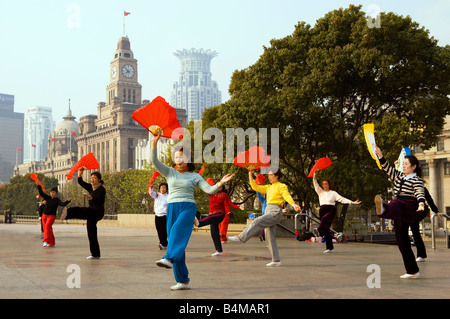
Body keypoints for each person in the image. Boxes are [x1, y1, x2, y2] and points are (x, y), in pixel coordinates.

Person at [151, 133, 235, 290]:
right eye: (176, 157)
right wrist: (154, 143)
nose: (178, 160)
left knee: (176, 233)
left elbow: (209, 190)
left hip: (188, 207)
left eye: (181, 157)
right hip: (172, 208)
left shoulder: (195, 176)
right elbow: (155, 161)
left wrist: (220, 183)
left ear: (188, 158)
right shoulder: (170, 172)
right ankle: (182, 281)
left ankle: (168, 258)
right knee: (178, 246)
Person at [228, 169, 301, 267]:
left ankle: (241, 237)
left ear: (277, 176)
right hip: (268, 210)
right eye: (268, 175)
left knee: (257, 221)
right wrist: (250, 174)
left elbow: (286, 195)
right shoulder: (268, 187)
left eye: (271, 175)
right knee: (269, 237)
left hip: (275, 211)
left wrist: (293, 204)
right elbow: (255, 187)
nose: (269, 177)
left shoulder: (281, 186)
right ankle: (276, 260)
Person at [374, 146, 425, 279]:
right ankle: (413, 271)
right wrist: (380, 155)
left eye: (406, 164)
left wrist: (421, 203)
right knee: (402, 242)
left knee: (395, 203)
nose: (403, 166)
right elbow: (387, 168)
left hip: (409, 206)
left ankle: (383, 209)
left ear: (413, 166)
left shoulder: (417, 180)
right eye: (403, 164)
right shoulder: (398, 176)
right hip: (398, 210)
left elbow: (420, 192)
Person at [61, 168, 106, 259]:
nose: (92, 179)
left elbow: (99, 200)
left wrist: (90, 197)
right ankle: (95, 254)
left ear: (99, 180)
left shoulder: (102, 189)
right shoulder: (90, 187)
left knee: (82, 210)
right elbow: (81, 182)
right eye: (91, 178)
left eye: (94, 178)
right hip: (91, 211)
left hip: (98, 211)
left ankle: (68, 213)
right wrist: (80, 173)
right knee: (91, 233)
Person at [312, 170, 361, 253]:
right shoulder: (320, 192)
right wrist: (314, 175)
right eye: (323, 184)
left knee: (325, 219)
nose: (325, 186)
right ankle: (329, 248)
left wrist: (352, 202)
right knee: (327, 229)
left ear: (329, 185)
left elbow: (342, 199)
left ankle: (319, 231)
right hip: (322, 209)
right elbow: (315, 184)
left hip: (330, 210)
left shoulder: (333, 193)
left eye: (326, 184)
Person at [195, 181, 243, 256]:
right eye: (218, 185)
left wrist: (229, 212)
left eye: (221, 186)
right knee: (214, 234)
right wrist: (198, 183)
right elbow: (205, 188)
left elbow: (227, 205)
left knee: (207, 219)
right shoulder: (212, 193)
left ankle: (198, 222)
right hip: (212, 213)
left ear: (223, 187)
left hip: (219, 214)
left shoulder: (224, 195)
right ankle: (219, 250)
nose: (219, 187)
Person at [411, 187, 438, 262]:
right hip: (406, 211)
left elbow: (429, 199)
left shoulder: (421, 188)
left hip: (417, 211)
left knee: (415, 232)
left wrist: (436, 211)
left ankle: (421, 255)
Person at [148, 182, 169, 250]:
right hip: (157, 215)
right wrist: (151, 187)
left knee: (163, 230)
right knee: (158, 230)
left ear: (166, 189)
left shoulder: (168, 196)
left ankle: (162, 243)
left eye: (164, 188)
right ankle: (164, 243)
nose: (162, 189)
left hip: (164, 215)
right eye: (161, 188)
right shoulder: (157, 195)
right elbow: (151, 193)